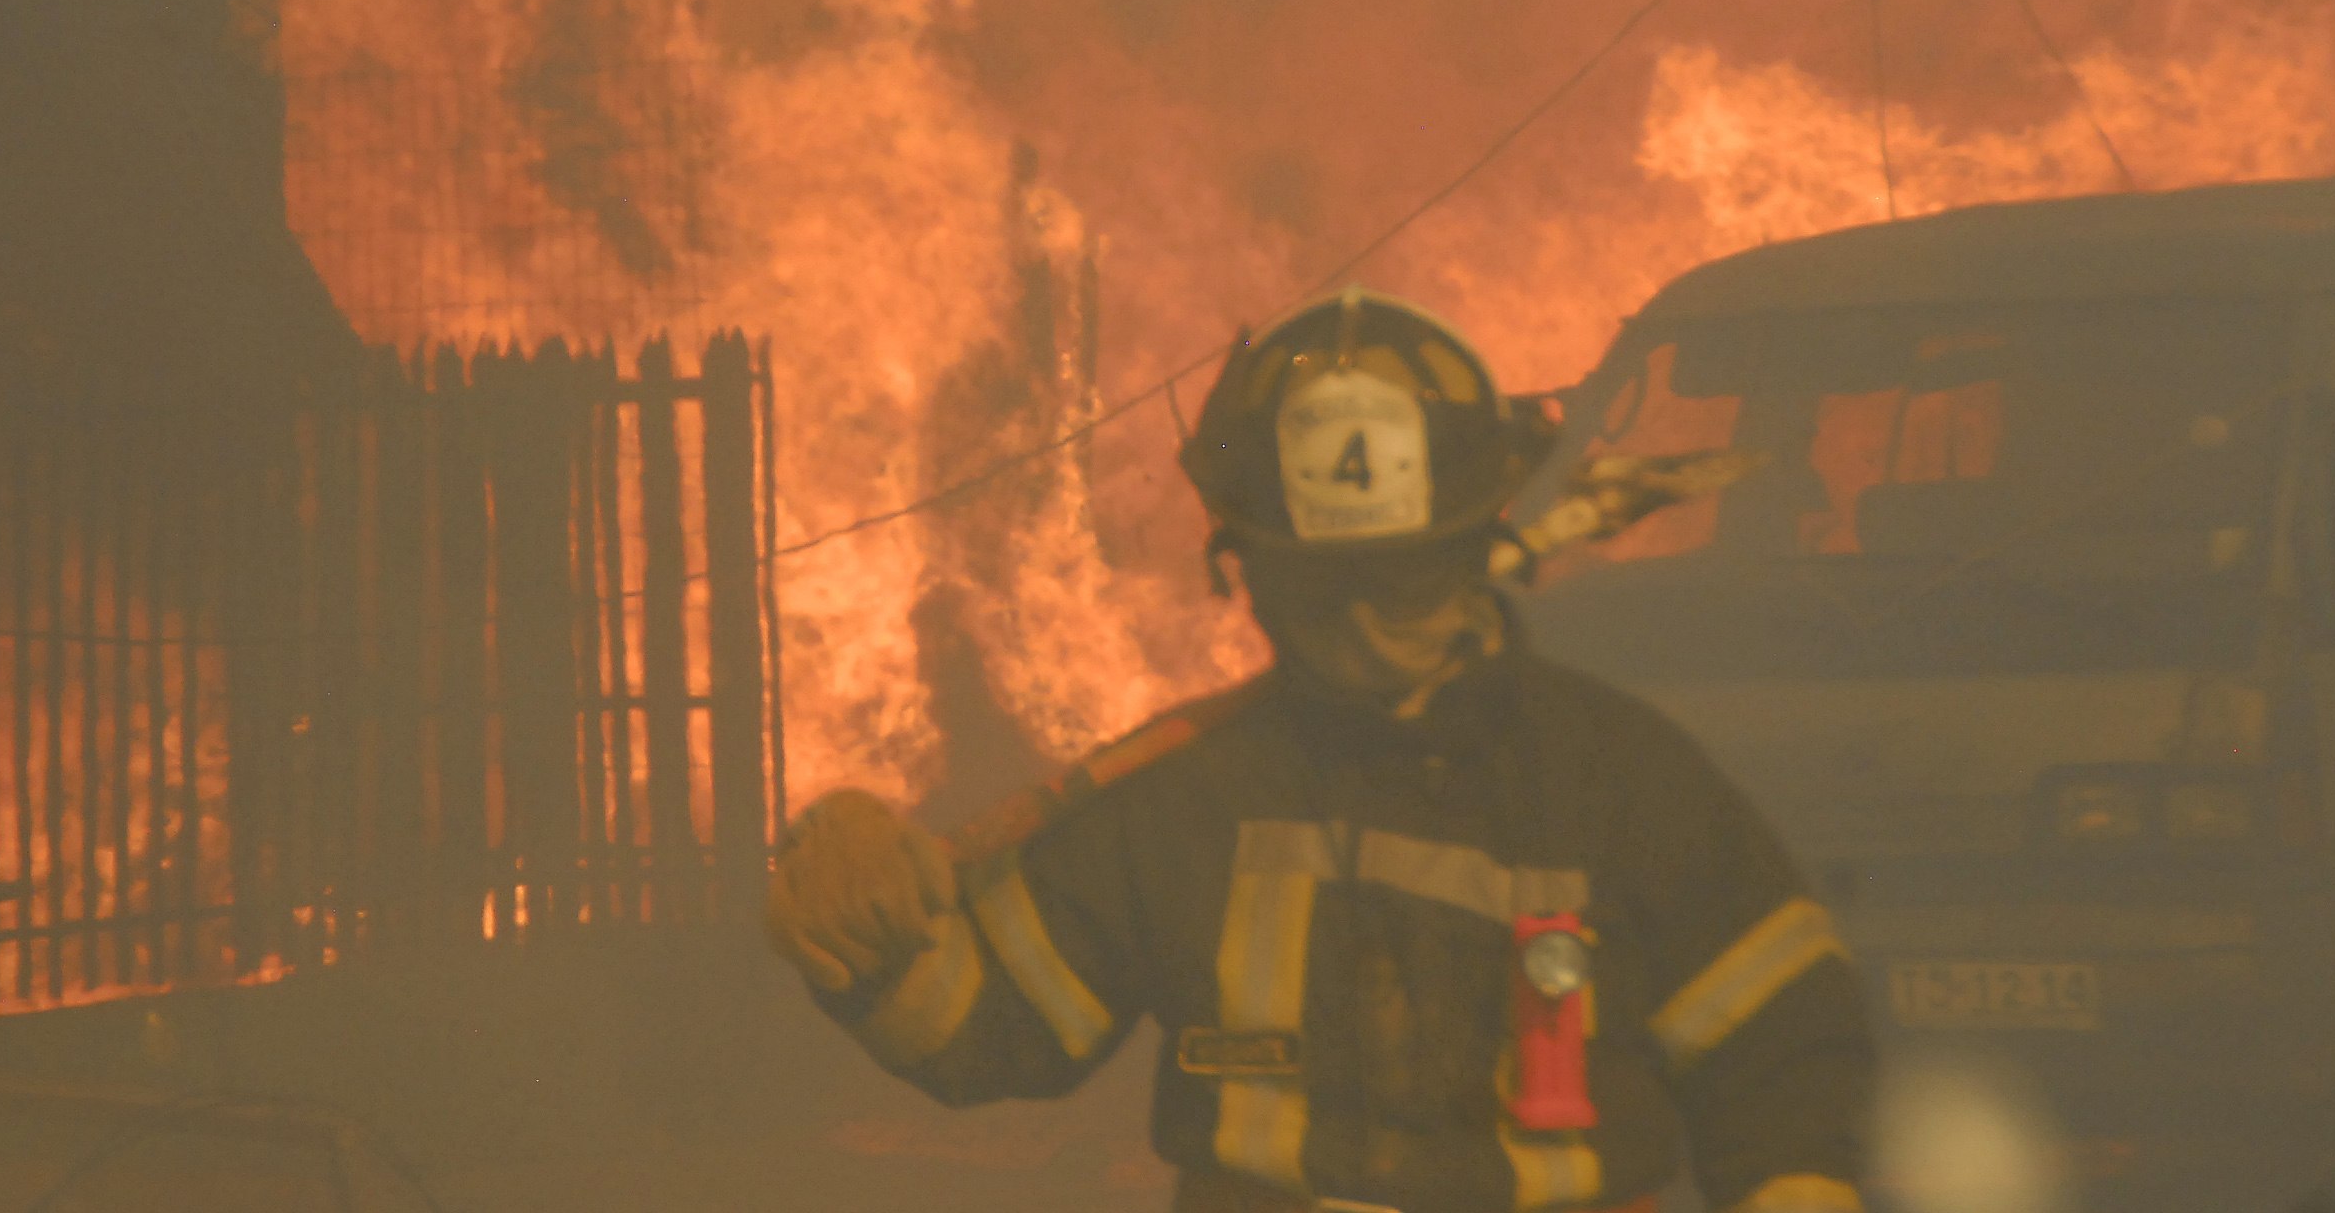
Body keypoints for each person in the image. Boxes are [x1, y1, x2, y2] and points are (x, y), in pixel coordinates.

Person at [766, 289, 1874, 1213]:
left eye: (1396, 574)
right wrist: (869, 938)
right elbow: (990, 1025)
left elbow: (1785, 1056)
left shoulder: (1619, 784)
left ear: (1477, 540)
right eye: (1310, 586)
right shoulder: (1185, 799)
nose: (1355, 624)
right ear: (1241, 567)